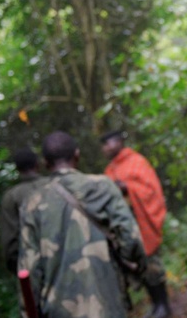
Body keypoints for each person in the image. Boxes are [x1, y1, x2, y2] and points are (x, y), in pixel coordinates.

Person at [18, 131, 146, 318]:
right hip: (108, 301)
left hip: (59, 310)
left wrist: (29, 311)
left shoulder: (32, 203)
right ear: (77, 155)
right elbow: (131, 238)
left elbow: (28, 270)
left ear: (45, 163)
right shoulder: (103, 186)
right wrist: (132, 272)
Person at [100, 130, 171, 318]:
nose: (105, 148)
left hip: (143, 224)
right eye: (103, 145)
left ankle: (164, 305)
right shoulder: (110, 169)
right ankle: (156, 304)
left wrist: (128, 188)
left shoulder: (137, 161)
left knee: (152, 265)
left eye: (108, 143)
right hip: (126, 229)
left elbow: (151, 189)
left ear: (119, 142)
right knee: (139, 268)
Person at [0, 148, 49, 274]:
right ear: (38, 164)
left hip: (30, 265)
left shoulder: (11, 197)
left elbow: (10, 241)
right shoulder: (56, 185)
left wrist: (20, 270)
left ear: (17, 169)